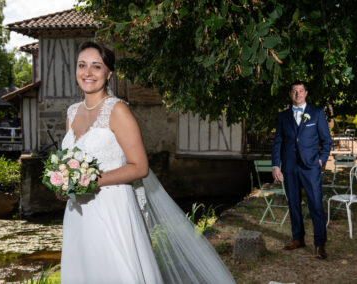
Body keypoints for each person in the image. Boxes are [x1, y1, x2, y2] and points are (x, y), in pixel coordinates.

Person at [60, 41, 235, 283]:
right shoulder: (71, 113)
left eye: (96, 66)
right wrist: (64, 186)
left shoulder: (118, 110)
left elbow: (139, 167)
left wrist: (91, 181)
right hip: (77, 212)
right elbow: (70, 162)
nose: (87, 72)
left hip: (111, 207)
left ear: (108, 73)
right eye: (82, 65)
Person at [271, 81, 332, 260]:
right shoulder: (283, 116)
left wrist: (321, 160)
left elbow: (327, 142)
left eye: (300, 91)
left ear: (306, 93)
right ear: (290, 94)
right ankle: (298, 238)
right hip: (290, 167)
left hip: (311, 167)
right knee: (293, 204)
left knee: (315, 205)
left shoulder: (317, 113)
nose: (297, 94)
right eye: (294, 91)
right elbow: (278, 143)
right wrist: (276, 165)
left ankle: (320, 244)